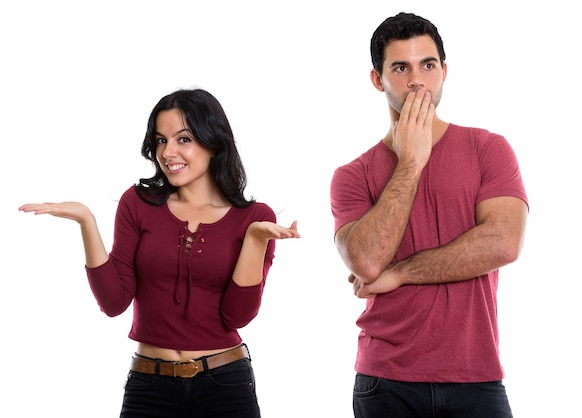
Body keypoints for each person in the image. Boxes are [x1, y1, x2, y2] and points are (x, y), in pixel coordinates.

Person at [19, 88, 300, 417]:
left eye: (183, 139)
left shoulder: (255, 219)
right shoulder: (137, 204)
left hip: (225, 385)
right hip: (149, 386)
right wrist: (86, 221)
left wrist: (254, 240)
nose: (168, 152)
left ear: (213, 141)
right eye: (160, 140)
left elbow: (237, 317)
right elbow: (114, 303)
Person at [330, 12, 528, 418]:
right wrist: (410, 163)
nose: (417, 79)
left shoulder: (488, 149)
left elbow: (503, 243)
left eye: (428, 64)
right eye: (400, 67)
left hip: (476, 377)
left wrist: (400, 272)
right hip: (385, 381)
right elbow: (366, 261)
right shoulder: (352, 175)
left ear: (444, 71)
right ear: (377, 79)